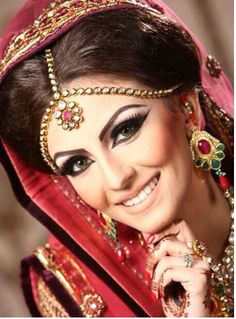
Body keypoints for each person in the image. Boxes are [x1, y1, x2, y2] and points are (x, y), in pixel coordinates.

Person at [0, 0, 233, 317]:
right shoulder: (71, 291)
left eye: (125, 130)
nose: (115, 178)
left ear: (187, 109)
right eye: (78, 164)